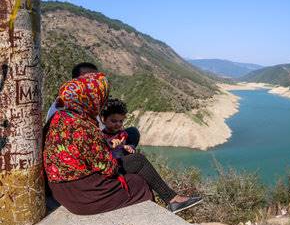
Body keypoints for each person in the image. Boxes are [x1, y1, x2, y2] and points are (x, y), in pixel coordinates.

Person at [43, 72, 201, 215]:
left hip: (60, 189)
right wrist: (117, 154)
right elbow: (108, 168)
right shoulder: (83, 126)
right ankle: (156, 217)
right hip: (82, 195)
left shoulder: (61, 116)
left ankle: (173, 199)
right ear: (91, 98)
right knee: (138, 182)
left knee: (136, 160)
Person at [100, 98, 202, 213]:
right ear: (103, 119)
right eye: (113, 121)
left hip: (121, 156)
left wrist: (129, 147)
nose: (117, 124)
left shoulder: (121, 133)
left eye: (120, 121)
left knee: (133, 131)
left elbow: (126, 144)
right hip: (112, 163)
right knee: (139, 159)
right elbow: (101, 155)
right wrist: (110, 147)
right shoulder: (101, 137)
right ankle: (172, 199)